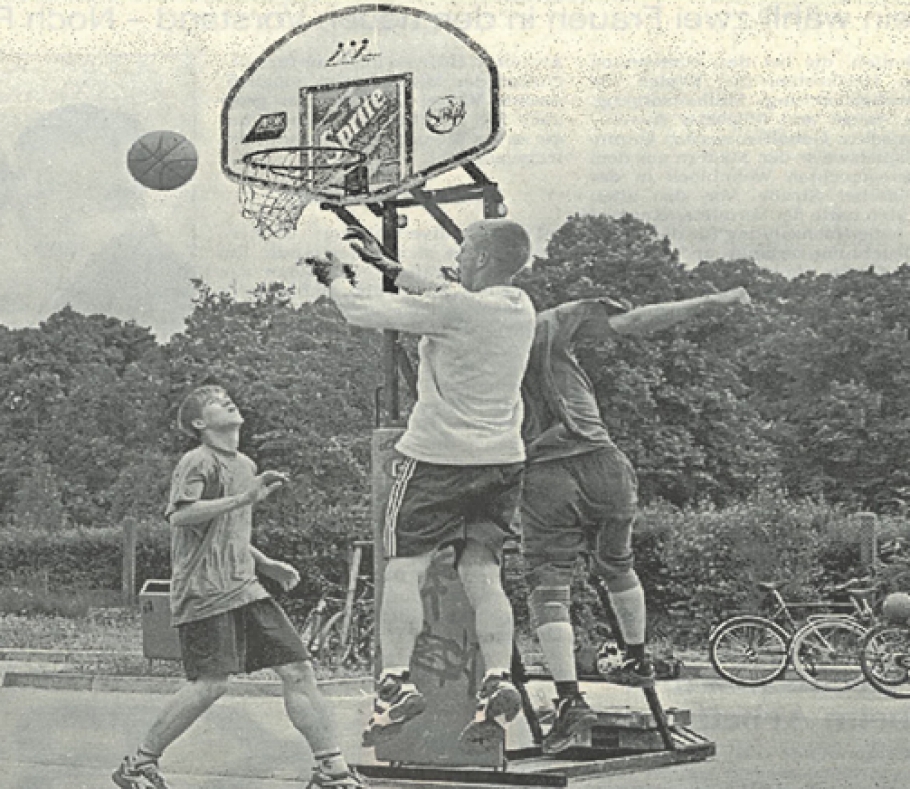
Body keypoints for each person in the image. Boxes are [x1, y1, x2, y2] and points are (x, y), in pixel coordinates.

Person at [308, 219, 536, 749]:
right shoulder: (518, 307)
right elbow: (444, 293)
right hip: (502, 462)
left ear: (482, 258)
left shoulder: (455, 309)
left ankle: (395, 683)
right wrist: (390, 267)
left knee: (404, 568)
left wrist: (337, 278)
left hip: (438, 460)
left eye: (464, 249)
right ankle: (497, 678)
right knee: (483, 572)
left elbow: (361, 310)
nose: (457, 258)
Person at [518, 287, 752, 754]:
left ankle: (569, 700)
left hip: (545, 469)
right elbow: (636, 321)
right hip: (604, 461)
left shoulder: (478, 342)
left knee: (548, 583)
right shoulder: (548, 323)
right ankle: (636, 656)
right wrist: (712, 302)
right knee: (618, 566)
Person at [112, 385, 366, 789]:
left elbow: (225, 530)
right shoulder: (198, 460)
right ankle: (139, 765)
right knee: (211, 684)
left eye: (226, 396)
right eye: (215, 401)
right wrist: (245, 498)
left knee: (298, 668)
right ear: (200, 422)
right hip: (205, 591)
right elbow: (181, 516)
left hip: (246, 587)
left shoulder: (245, 464)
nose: (226, 400)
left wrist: (266, 564)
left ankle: (331, 772)